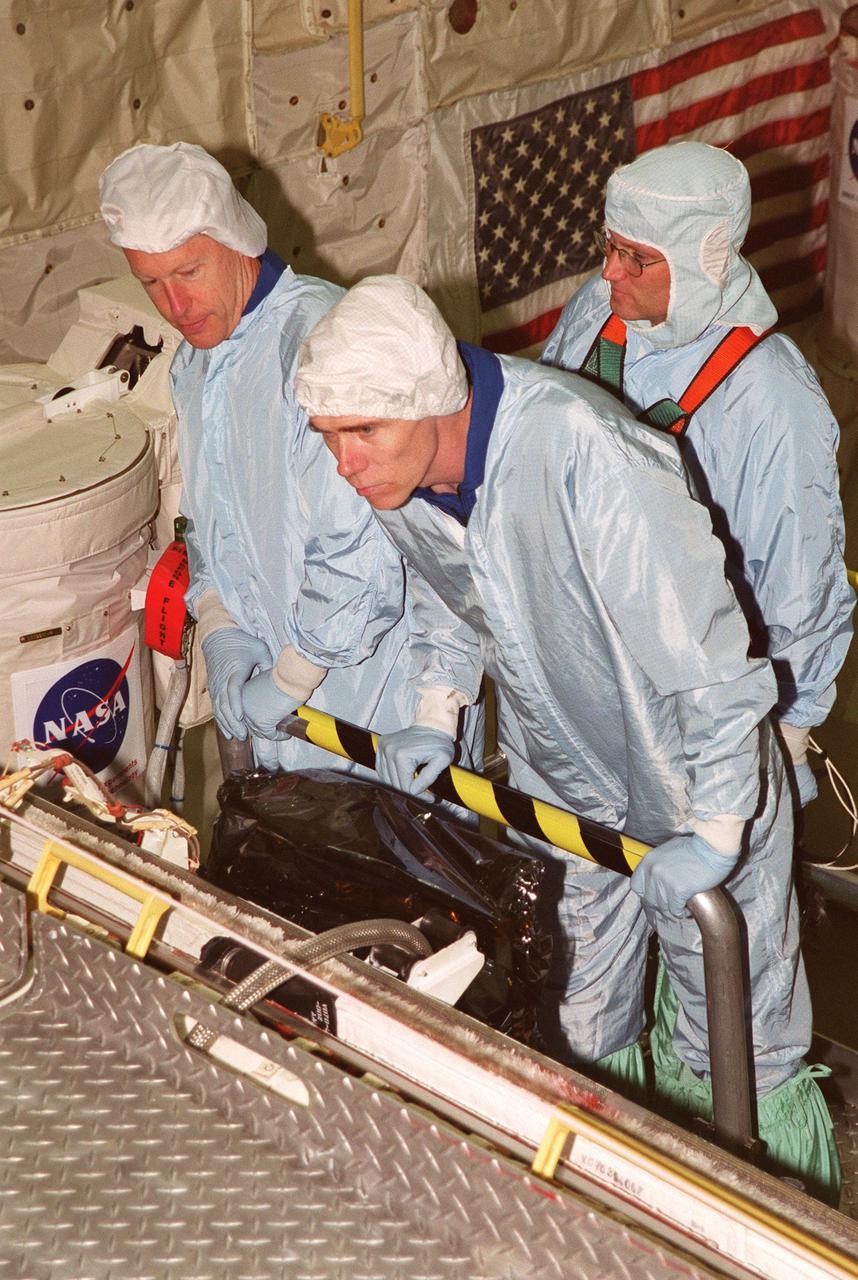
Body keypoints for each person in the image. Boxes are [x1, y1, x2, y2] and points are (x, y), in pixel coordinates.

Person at [293, 273, 840, 1201]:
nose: (345, 465)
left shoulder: (585, 453)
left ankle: (766, 1220)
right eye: (329, 437)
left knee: (732, 1038)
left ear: (431, 401)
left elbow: (707, 658)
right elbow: (446, 594)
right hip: (566, 778)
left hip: (693, 772)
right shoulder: (412, 474)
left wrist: (714, 827)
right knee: (581, 1008)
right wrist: (436, 708)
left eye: (362, 434)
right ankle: (609, 1211)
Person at [98, 143, 481, 775]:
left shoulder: (319, 350)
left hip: (376, 708)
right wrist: (219, 622)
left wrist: (291, 676)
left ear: (238, 241)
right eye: (152, 283)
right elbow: (207, 521)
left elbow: (361, 555)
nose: (174, 307)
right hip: (286, 719)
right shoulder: (198, 364)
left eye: (189, 273)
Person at [540, 141, 853, 813]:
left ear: (701, 260)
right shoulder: (596, 317)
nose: (609, 272)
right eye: (609, 245)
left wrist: (789, 737)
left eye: (636, 258)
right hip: (586, 666)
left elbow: (800, 584)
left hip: (702, 702)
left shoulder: (769, 398)